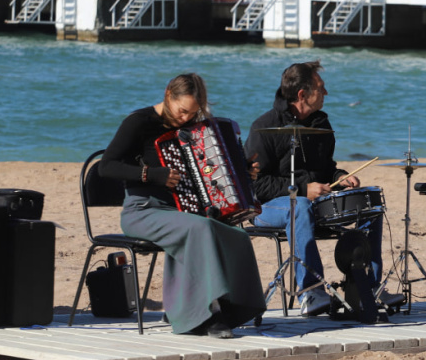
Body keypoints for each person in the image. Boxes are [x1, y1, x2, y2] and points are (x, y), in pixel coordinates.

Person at [99, 73, 266, 338]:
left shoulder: (196, 129)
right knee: (199, 229)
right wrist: (151, 174)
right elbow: (106, 166)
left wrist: (242, 172)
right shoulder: (139, 122)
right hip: (143, 210)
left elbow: (209, 170)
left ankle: (235, 308)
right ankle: (211, 314)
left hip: (182, 211)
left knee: (235, 234)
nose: (185, 118)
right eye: (181, 111)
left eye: (192, 113)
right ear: (168, 94)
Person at [244, 61, 399, 316]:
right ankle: (311, 291)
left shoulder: (321, 124)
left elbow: (327, 168)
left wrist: (341, 176)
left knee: (367, 202)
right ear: (303, 95)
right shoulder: (264, 128)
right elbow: (256, 184)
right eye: (321, 88)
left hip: (314, 202)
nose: (326, 93)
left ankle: (366, 287)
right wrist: (302, 189)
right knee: (300, 205)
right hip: (268, 206)